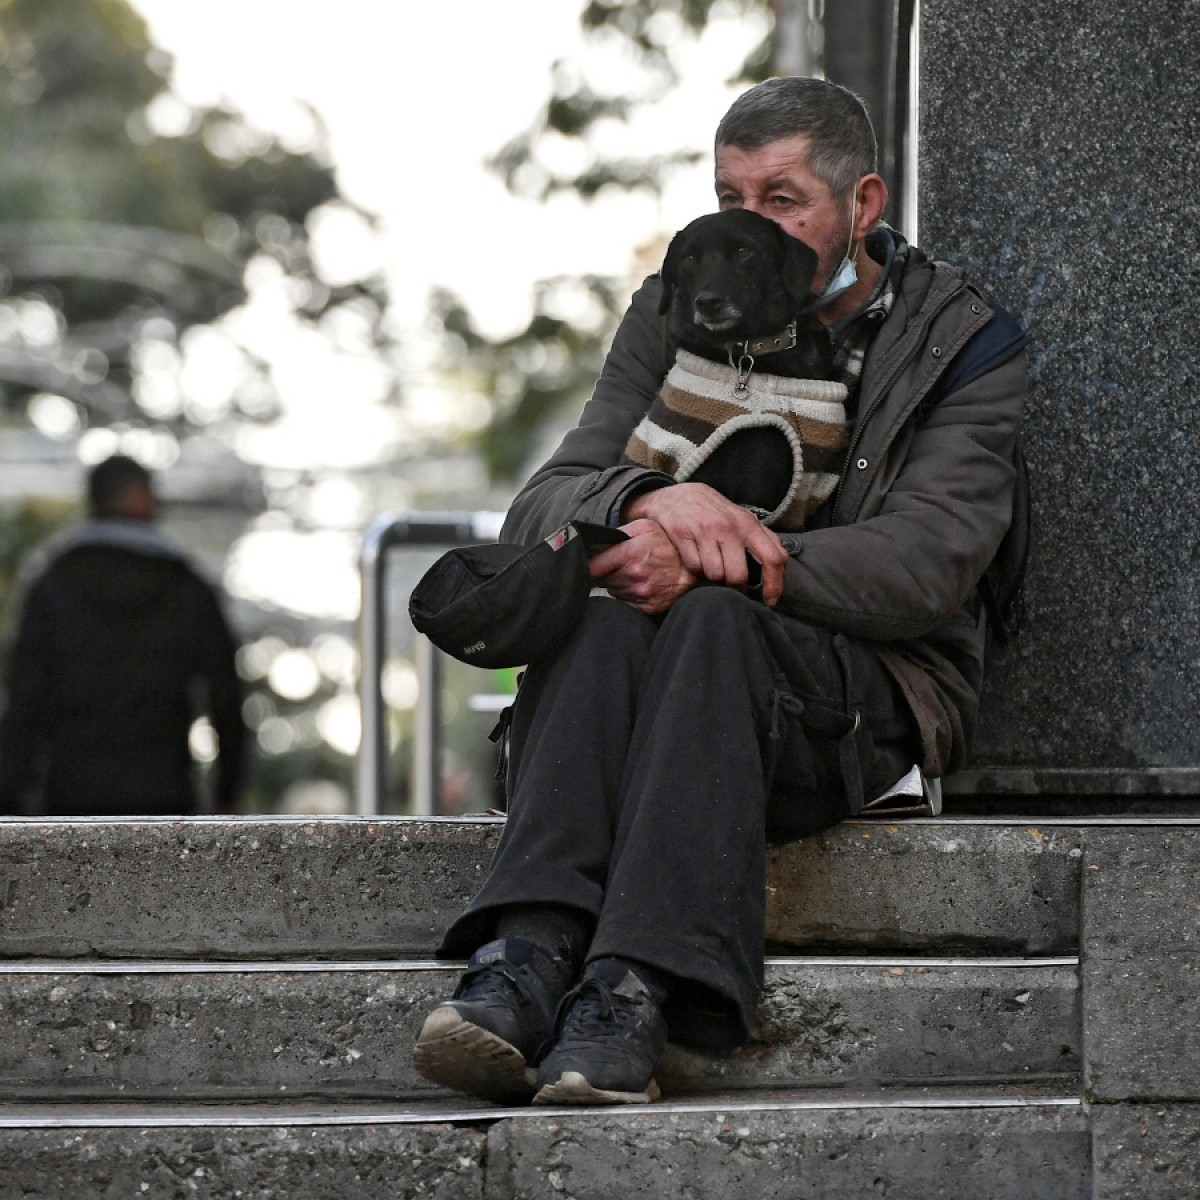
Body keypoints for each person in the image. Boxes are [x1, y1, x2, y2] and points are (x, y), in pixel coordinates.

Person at [413, 77, 1027, 1106]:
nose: (749, 224)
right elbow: (547, 502)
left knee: (704, 615)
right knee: (602, 627)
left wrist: (720, 551)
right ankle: (524, 954)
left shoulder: (960, 343)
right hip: (672, 681)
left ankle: (640, 990)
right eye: (728, 197)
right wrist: (651, 497)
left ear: (863, 205)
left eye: (781, 200)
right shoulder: (682, 300)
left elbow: (929, 564)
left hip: (869, 691)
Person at [0, 454, 246, 816]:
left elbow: (24, 697)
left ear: (94, 501)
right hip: (165, 797)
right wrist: (228, 791)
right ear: (145, 497)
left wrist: (10, 795)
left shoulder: (53, 584)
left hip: (72, 797)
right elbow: (225, 692)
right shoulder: (186, 586)